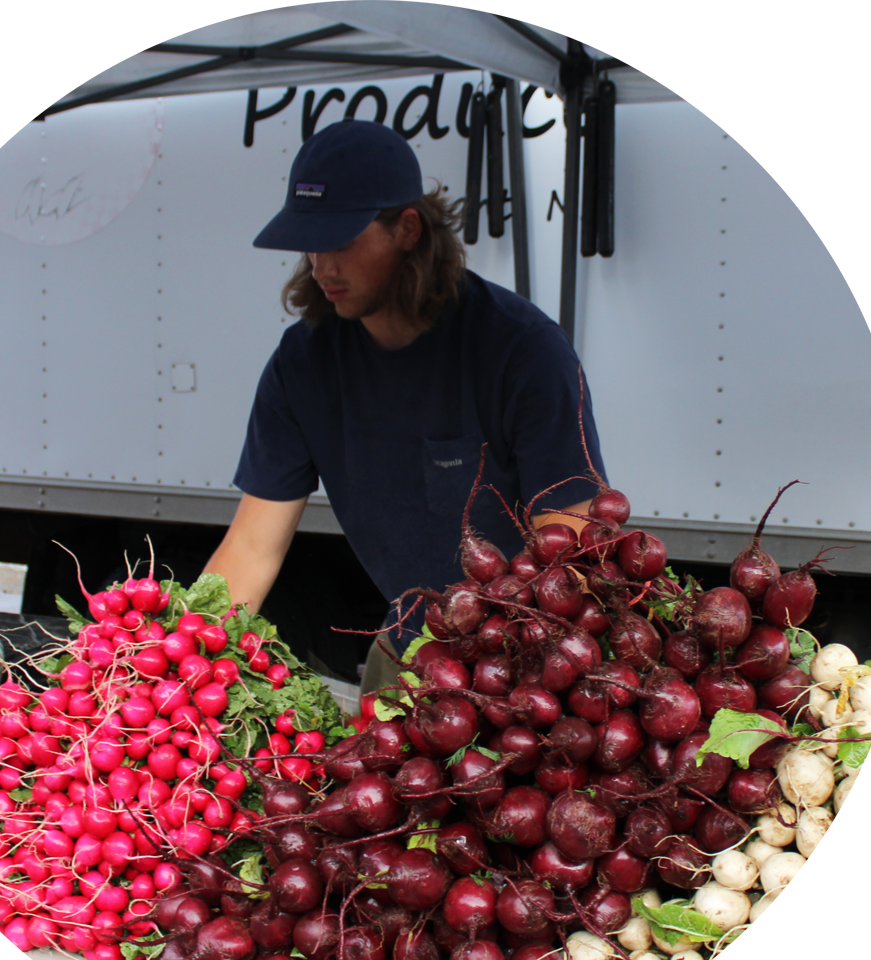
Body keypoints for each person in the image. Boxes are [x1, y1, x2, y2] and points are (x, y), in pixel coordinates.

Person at [203, 119, 609, 694]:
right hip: (407, 649)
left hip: (526, 665)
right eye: (310, 242)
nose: (321, 266)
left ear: (408, 229)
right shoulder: (303, 364)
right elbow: (250, 548)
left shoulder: (520, 351)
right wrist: (175, 666)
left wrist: (517, 681)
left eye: (341, 240)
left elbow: (575, 558)